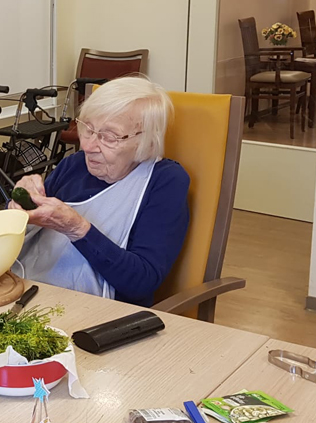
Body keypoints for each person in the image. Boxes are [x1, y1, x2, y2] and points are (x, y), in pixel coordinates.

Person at [10, 76, 190, 306]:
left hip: (97, 313)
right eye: (87, 129)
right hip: (26, 293)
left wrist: (77, 229)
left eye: (108, 136)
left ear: (147, 141)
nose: (87, 146)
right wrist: (18, 207)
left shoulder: (164, 182)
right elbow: (22, 233)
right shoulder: (74, 165)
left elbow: (142, 282)